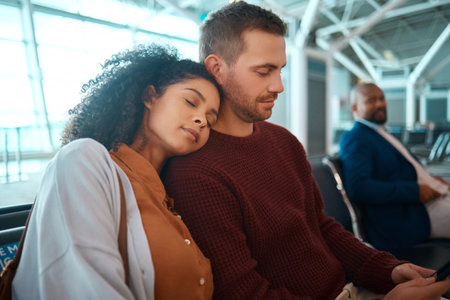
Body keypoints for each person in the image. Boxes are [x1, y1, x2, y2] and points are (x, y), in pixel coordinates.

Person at [162, 2, 450, 299]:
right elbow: (245, 293)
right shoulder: (195, 174)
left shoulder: (283, 141)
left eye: (280, 70)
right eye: (264, 71)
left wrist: (388, 270)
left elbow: (322, 227)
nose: (279, 86)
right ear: (216, 69)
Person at [12, 44, 221, 299]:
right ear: (150, 96)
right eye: (191, 102)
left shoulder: (171, 201)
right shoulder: (84, 161)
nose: (201, 120)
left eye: (211, 119)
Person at [339, 82, 450, 251]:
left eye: (381, 98)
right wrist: (415, 191)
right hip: (411, 215)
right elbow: (359, 187)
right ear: (355, 107)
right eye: (371, 100)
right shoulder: (356, 138)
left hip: (430, 202)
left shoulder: (381, 133)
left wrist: (431, 180)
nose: (379, 104)